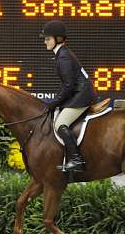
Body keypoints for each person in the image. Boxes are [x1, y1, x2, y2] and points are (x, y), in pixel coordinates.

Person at [40, 20, 97, 173]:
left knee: (60, 124)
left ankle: (76, 160)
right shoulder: (62, 54)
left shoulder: (63, 57)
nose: (45, 41)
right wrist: (57, 101)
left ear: (58, 39)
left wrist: (54, 103)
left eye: (48, 38)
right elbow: (66, 85)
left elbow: (68, 86)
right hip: (78, 93)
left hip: (82, 96)